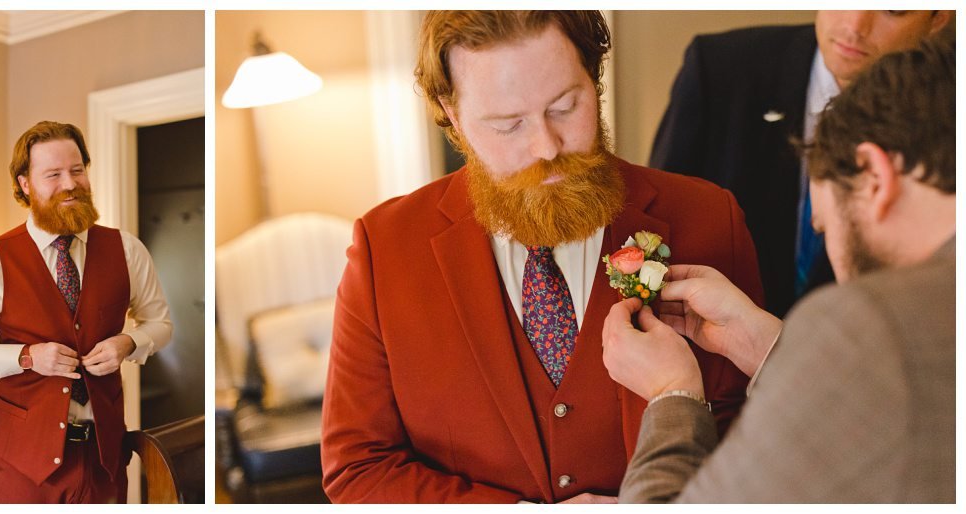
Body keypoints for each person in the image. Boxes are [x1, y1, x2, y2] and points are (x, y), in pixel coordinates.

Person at [321, 11, 762, 503]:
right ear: (453, 113)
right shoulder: (385, 250)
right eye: (507, 125)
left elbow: (757, 431)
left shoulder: (707, 217)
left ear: (593, 78)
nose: (546, 148)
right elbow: (359, 468)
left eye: (565, 107)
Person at [602, 36, 954, 502]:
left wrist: (673, 395)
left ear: (874, 176)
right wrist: (767, 344)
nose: (823, 236)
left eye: (826, 225)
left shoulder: (876, 323)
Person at [0, 121, 173, 503]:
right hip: (25, 465)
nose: (70, 184)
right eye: (53, 174)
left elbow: (161, 324)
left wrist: (130, 342)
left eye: (77, 170)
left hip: (104, 459)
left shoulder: (126, 249)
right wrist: (26, 357)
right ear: (25, 184)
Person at [649, 10, 950, 317]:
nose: (855, 25)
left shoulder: (947, 118)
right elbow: (657, 223)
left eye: (893, 9)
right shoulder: (718, 67)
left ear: (938, 18)